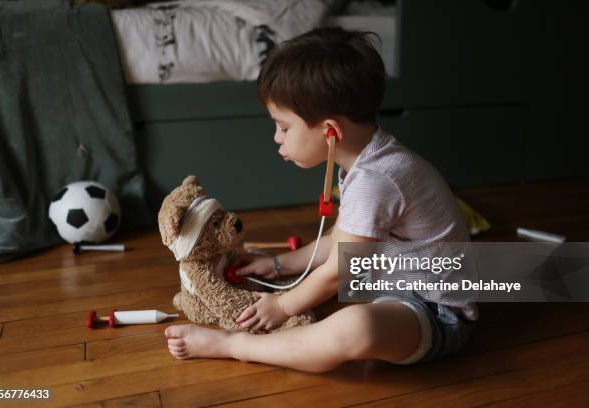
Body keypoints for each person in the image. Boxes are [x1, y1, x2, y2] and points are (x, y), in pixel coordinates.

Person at [164, 27, 476, 372]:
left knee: (354, 329)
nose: (276, 138)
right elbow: (337, 242)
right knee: (324, 297)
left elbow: (338, 272)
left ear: (331, 131)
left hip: (436, 311)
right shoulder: (369, 160)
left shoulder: (377, 179)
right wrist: (278, 264)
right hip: (392, 288)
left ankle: (237, 345)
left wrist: (283, 307)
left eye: (283, 127)